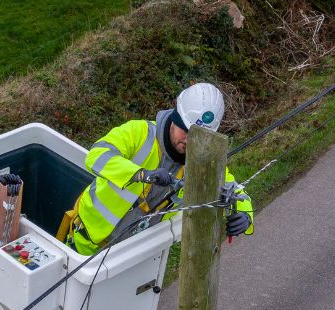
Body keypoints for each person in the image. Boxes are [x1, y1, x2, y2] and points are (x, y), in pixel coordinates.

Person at [63, 82, 255, 255]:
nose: (189, 140)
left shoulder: (204, 164)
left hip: (133, 256)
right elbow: (96, 155)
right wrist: (140, 174)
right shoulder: (139, 133)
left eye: (199, 136)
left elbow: (236, 191)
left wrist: (245, 215)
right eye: (185, 131)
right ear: (175, 118)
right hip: (85, 244)